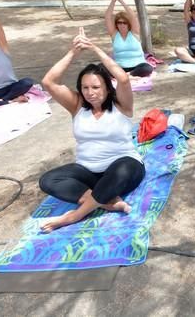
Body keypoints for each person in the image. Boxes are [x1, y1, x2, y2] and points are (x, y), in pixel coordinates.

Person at [38, 28, 145, 233]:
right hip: (88, 172)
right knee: (48, 180)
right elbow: (48, 82)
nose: (90, 93)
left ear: (106, 87)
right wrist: (73, 52)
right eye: (85, 88)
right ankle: (106, 203)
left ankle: (76, 215)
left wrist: (95, 48)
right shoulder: (77, 105)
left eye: (96, 87)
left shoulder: (122, 105)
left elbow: (122, 78)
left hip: (122, 169)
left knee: (123, 167)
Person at [104, 0, 153, 77]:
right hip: (120, 67)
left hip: (137, 66)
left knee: (147, 68)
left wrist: (120, 0)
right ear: (116, 24)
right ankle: (125, 74)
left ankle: (127, 75)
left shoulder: (134, 32)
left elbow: (132, 16)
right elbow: (107, 17)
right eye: (119, 23)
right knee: (101, 68)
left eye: (124, 23)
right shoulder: (114, 34)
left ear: (128, 24)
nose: (122, 25)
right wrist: (113, 1)